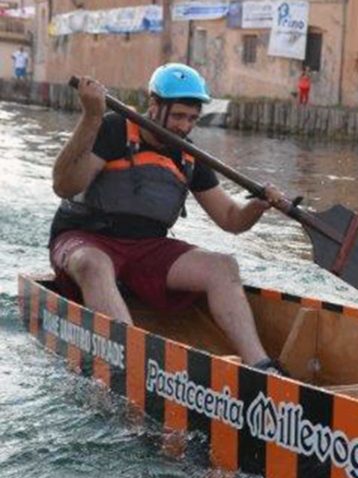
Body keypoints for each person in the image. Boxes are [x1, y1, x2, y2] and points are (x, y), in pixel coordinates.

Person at [49, 63, 290, 374]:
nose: (183, 126)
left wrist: (256, 207)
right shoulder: (113, 128)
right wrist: (91, 117)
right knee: (94, 264)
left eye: (191, 119)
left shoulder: (189, 156)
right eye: (177, 116)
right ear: (154, 105)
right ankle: (130, 362)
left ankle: (262, 367)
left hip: (147, 247)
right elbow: (64, 185)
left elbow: (230, 219)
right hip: (85, 238)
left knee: (223, 266)